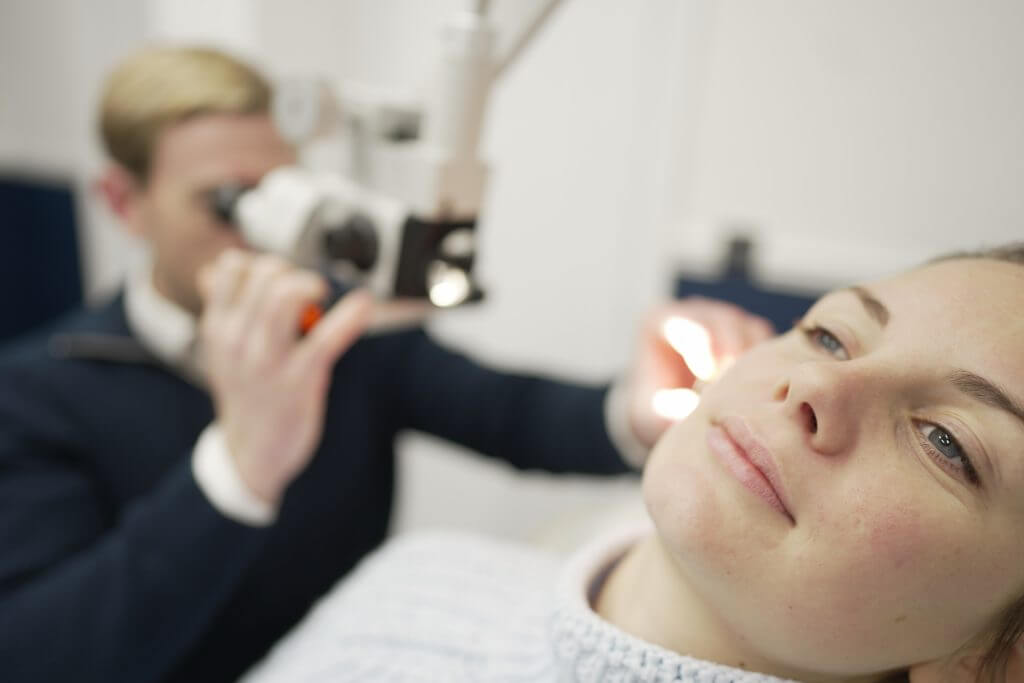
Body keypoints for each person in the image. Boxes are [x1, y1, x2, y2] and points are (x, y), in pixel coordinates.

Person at [0, 47, 773, 683]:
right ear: (122, 201)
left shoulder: (344, 325)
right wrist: (237, 469)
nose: (265, 234)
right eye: (227, 202)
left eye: (279, 194)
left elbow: (510, 413)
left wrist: (638, 408)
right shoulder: (35, 393)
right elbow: (49, 656)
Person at [240, 244, 1024, 683]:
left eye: (945, 441)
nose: (817, 383)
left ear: (993, 659)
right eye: (830, 334)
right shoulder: (420, 579)